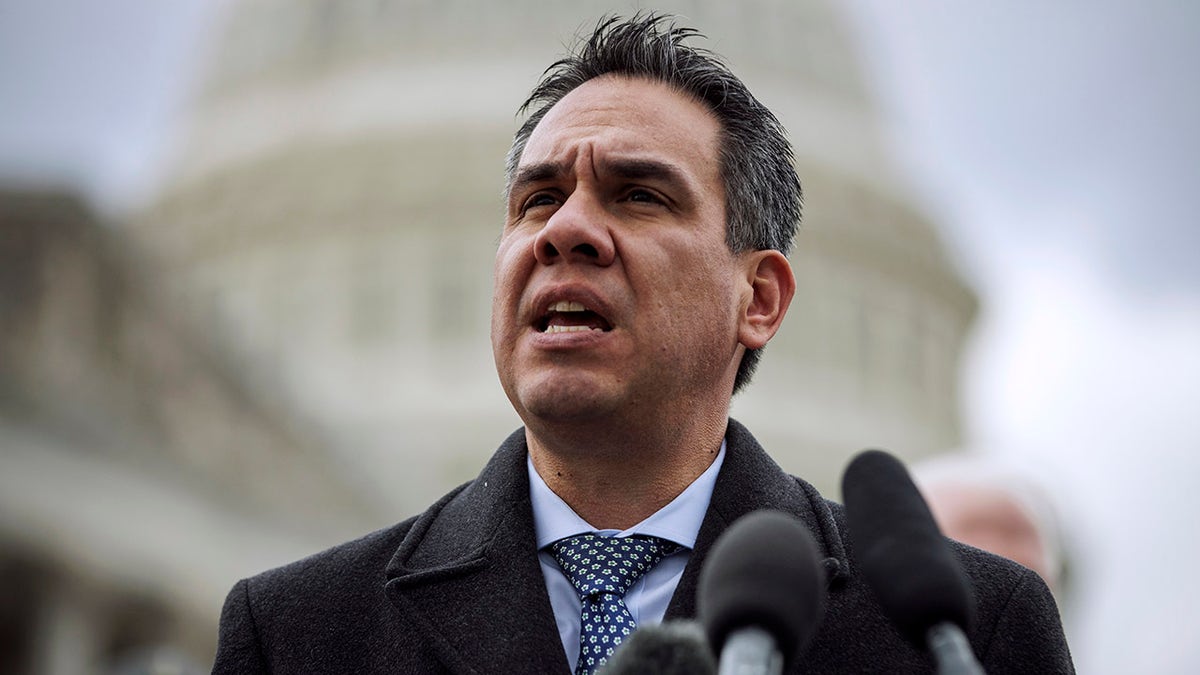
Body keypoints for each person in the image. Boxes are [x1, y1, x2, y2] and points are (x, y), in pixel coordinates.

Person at [213, 14, 1073, 674]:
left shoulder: (966, 636)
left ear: (760, 297)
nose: (567, 231)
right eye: (538, 198)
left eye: (639, 195)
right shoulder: (298, 634)